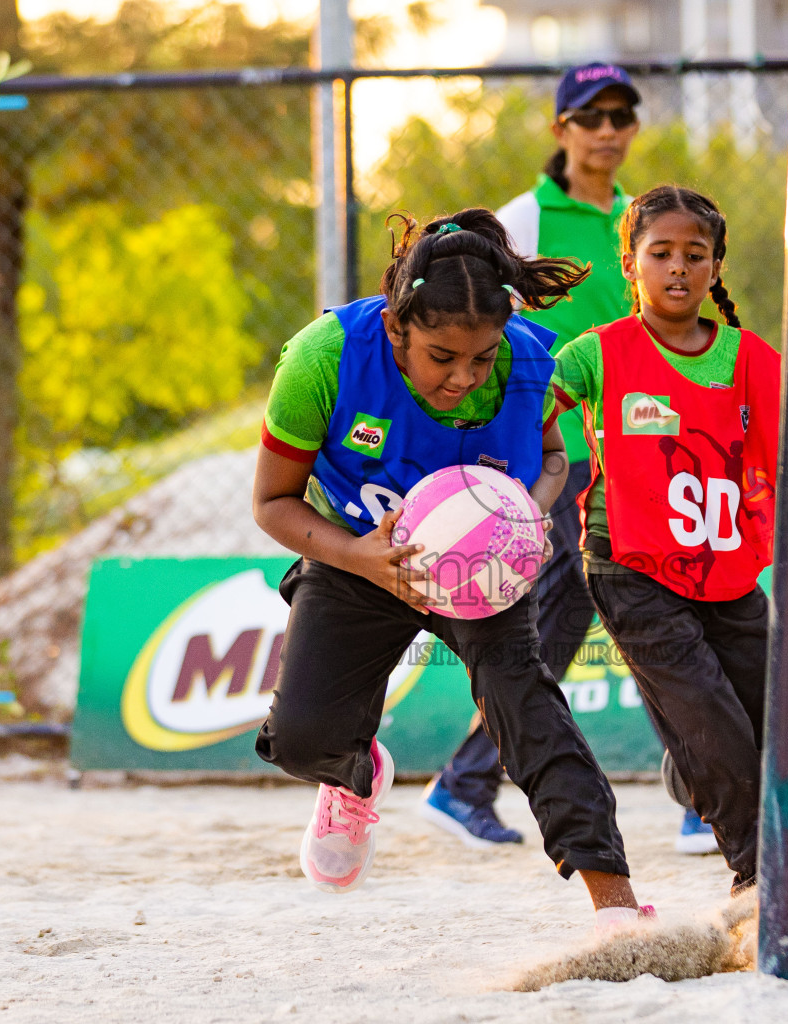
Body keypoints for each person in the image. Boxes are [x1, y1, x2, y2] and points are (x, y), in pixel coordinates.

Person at [251, 208, 646, 932]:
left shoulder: (527, 361)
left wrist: (528, 511)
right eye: (441, 356)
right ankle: (354, 774)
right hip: (361, 556)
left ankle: (616, 902)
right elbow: (272, 502)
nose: (464, 376)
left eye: (481, 356)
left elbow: (554, 458)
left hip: (481, 570)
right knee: (303, 739)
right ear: (398, 327)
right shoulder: (325, 358)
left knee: (529, 711)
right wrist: (359, 556)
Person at [423, 63, 716, 856]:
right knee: (632, 607)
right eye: (591, 115)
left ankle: (467, 783)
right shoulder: (524, 218)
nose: (609, 129)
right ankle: (700, 795)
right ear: (562, 130)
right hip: (561, 450)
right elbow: (491, 335)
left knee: (585, 615)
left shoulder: (639, 219)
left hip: (635, 446)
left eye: (622, 114)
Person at [549, 185, 788, 896]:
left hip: (725, 573)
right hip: (629, 565)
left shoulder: (751, 358)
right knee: (715, 726)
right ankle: (760, 880)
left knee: (776, 719)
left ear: (716, 268)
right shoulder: (598, 353)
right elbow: (533, 402)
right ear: (630, 265)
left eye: (694, 255)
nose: (677, 268)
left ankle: (686, 766)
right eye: (659, 253)